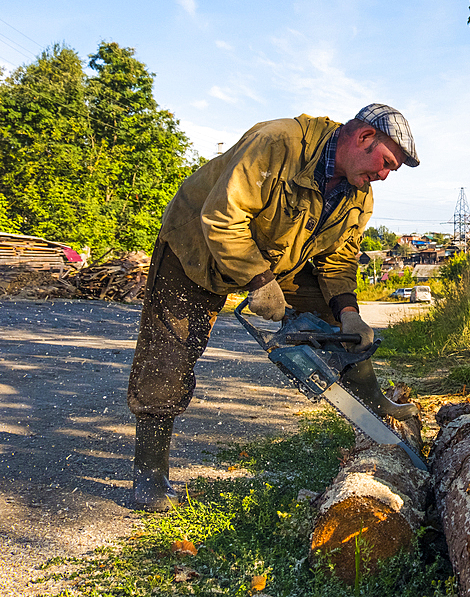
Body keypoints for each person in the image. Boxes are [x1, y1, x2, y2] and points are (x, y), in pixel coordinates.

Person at [127, 104, 419, 512]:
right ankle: (149, 476)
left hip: (275, 256)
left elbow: (338, 257)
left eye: (394, 170)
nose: (384, 175)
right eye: (386, 162)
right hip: (194, 247)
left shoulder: (358, 194)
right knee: (170, 354)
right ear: (365, 137)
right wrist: (259, 281)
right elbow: (222, 217)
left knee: (342, 326)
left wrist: (348, 312)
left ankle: (372, 404)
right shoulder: (278, 143)